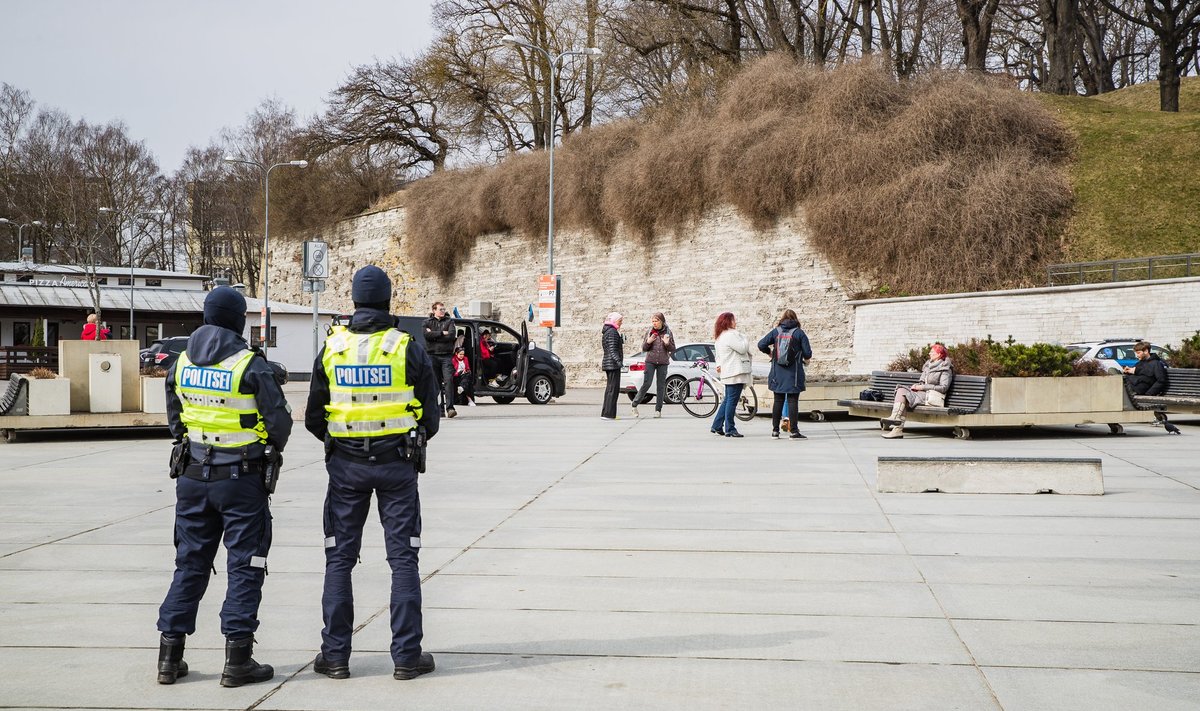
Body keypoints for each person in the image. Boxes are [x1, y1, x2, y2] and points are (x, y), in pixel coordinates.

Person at [305, 266, 440, 681]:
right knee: (403, 560)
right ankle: (406, 658)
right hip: (397, 464)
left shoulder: (332, 348)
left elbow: (313, 416)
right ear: (387, 300)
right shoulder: (406, 347)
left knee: (340, 560)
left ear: (354, 301)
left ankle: (335, 657)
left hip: (345, 467)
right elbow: (430, 417)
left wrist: (343, 441)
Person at [156, 286, 293, 687]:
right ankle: (237, 660)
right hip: (242, 479)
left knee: (190, 563)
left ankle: (169, 656)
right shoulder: (249, 364)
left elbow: (175, 420)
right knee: (245, 564)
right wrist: (265, 447)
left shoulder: (180, 362)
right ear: (237, 320)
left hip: (192, 476)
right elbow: (280, 423)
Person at [758, 309, 813, 440]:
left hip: (778, 373)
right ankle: (794, 431)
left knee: (778, 400)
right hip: (793, 373)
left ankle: (775, 431)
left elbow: (761, 344)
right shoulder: (799, 333)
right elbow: (808, 353)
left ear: (782, 319)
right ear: (795, 319)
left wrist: (769, 352)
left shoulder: (776, 331)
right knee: (793, 401)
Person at [882, 343, 954, 439]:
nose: (929, 353)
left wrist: (923, 387)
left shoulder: (945, 369)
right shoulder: (928, 366)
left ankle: (897, 427)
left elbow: (943, 388)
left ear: (939, 355)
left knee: (905, 397)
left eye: (932, 352)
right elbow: (922, 381)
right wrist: (917, 386)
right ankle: (895, 420)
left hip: (932, 396)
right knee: (901, 389)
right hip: (922, 393)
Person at [711, 312, 752, 437]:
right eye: (734, 320)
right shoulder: (731, 335)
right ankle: (730, 428)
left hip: (728, 371)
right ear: (728, 322)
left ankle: (717, 425)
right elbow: (743, 349)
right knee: (732, 401)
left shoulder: (720, 336)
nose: (736, 322)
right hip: (735, 372)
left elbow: (718, 356)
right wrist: (745, 338)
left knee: (727, 400)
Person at [631, 312, 676, 418]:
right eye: (653, 321)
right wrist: (649, 341)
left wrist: (667, 343)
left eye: (656, 321)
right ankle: (634, 405)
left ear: (662, 321)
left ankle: (658, 410)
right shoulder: (649, 332)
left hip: (663, 362)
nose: (654, 323)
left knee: (660, 386)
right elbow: (644, 348)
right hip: (650, 361)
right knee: (647, 383)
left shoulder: (668, 332)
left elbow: (673, 349)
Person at [423, 302, 456, 418]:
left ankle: (450, 408)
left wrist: (434, 335)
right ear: (434, 310)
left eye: (443, 309)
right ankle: (440, 409)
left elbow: (451, 336)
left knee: (449, 381)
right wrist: (442, 333)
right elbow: (427, 336)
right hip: (432, 355)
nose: (442, 311)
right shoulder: (427, 322)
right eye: (440, 309)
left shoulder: (449, 321)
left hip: (446, 356)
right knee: (436, 384)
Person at [600, 312, 624, 420]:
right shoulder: (613, 332)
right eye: (620, 321)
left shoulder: (607, 331)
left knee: (610, 389)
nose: (621, 323)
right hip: (613, 365)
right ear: (614, 321)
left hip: (608, 363)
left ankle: (607, 413)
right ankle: (609, 414)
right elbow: (613, 349)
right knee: (613, 389)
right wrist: (619, 362)